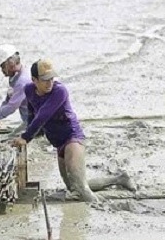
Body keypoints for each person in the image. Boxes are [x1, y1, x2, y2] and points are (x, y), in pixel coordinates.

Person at [12, 59, 135, 203]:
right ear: (34, 80)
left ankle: (111, 206)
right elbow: (32, 115)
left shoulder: (60, 91)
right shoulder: (29, 90)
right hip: (59, 144)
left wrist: (26, 137)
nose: (49, 82)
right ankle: (119, 178)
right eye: (45, 80)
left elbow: (43, 115)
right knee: (73, 188)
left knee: (81, 190)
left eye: (52, 78)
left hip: (72, 138)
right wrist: (28, 136)